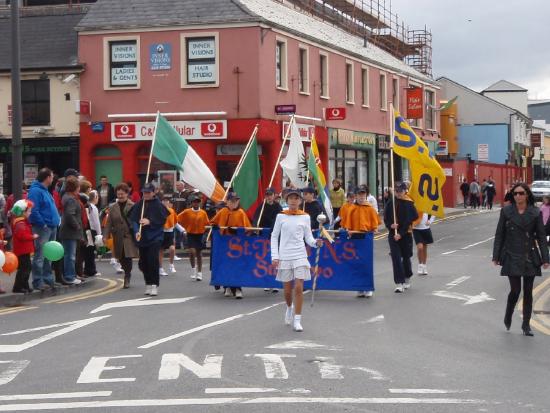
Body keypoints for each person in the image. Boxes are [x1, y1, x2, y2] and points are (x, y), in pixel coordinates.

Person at [492, 182, 549, 336]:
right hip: (511, 254)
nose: (518, 196)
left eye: (521, 193)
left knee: (528, 291)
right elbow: (500, 235)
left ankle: (526, 325)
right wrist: (496, 256)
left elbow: (542, 237)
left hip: (529, 255)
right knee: (515, 290)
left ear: (527, 195)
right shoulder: (506, 211)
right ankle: (508, 314)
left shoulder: (536, 213)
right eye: (515, 193)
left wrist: (545, 258)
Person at [271, 188, 322, 332]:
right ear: (286, 201)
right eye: (291, 198)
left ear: (300, 201)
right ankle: (289, 307)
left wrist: (315, 242)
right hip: (285, 256)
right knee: (287, 292)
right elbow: (274, 237)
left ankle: (297, 320)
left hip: (300, 255)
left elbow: (308, 237)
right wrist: (275, 256)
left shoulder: (305, 217)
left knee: (299, 287)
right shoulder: (281, 216)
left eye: (296, 198)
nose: (293, 200)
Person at [129, 182, 168, 296]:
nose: (146, 194)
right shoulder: (139, 204)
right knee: (143, 262)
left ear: (153, 192)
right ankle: (148, 283)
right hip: (143, 237)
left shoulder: (158, 204)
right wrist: (136, 231)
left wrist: (150, 221)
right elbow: (134, 219)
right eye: (144, 192)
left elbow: (162, 219)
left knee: (152, 260)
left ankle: (154, 284)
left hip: (155, 236)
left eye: (148, 192)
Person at [210, 192, 251, 298]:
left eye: (236, 201)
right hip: (225, 243)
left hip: (237, 244)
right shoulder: (223, 211)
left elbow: (247, 228)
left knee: (237, 266)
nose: (234, 203)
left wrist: (237, 231)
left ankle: (238, 289)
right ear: (227, 202)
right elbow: (213, 222)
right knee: (226, 265)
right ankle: (227, 286)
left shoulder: (241, 212)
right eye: (232, 201)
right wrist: (216, 227)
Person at [27, 168, 61, 290]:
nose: (52, 179)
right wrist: (43, 224)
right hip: (43, 227)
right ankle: (38, 281)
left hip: (51, 226)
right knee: (40, 255)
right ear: (47, 178)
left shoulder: (44, 190)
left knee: (49, 255)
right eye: (51, 177)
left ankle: (47, 279)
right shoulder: (36, 191)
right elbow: (34, 210)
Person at [345, 185, 380, 297]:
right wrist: (348, 230)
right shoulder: (352, 208)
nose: (361, 196)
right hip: (355, 237)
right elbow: (348, 222)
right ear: (355, 196)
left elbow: (374, 222)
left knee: (366, 263)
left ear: (366, 195)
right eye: (359, 194)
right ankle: (359, 287)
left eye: (363, 194)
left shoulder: (369, 208)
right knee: (356, 263)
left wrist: (374, 229)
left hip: (366, 237)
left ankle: (368, 287)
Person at [383, 182, 418, 293]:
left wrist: (401, 234)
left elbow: (409, 221)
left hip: (405, 234)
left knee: (406, 257)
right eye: (396, 191)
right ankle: (399, 283)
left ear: (405, 191)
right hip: (393, 235)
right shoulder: (391, 203)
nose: (398, 193)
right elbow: (386, 218)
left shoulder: (408, 203)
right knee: (396, 258)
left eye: (400, 191)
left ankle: (407, 276)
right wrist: (390, 226)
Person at [103, 183, 139, 289]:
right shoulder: (113, 207)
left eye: (122, 194)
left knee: (127, 256)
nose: (120, 196)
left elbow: (136, 220)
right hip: (117, 235)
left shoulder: (133, 206)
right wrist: (105, 235)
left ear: (127, 194)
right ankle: (126, 270)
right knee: (121, 257)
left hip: (129, 235)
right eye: (118, 194)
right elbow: (109, 223)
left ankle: (127, 276)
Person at [59, 176, 84, 285]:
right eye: (78, 186)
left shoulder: (66, 196)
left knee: (69, 255)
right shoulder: (71, 199)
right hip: (70, 232)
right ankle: (70, 276)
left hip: (67, 231)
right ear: (75, 187)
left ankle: (71, 275)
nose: (79, 188)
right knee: (70, 255)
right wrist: (77, 226)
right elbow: (70, 214)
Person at [178, 195, 209, 281]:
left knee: (199, 253)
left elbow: (207, 223)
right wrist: (183, 230)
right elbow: (177, 219)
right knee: (192, 251)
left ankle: (199, 273)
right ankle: (193, 269)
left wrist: (206, 230)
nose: (196, 203)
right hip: (190, 234)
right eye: (194, 202)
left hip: (200, 234)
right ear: (191, 203)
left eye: (197, 202)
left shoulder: (203, 213)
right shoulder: (187, 212)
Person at [11, 200, 39, 293]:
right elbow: (22, 236)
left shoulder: (22, 222)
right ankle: (19, 287)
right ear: (23, 212)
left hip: (23, 249)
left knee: (25, 268)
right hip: (22, 250)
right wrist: (32, 236)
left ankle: (24, 285)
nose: (30, 213)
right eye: (29, 211)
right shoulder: (20, 223)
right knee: (24, 268)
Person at [84, 189, 102, 277]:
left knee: (88, 251)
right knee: (90, 251)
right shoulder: (93, 207)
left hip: (87, 231)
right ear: (95, 198)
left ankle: (88, 269)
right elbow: (96, 222)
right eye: (97, 196)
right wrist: (99, 233)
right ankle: (91, 270)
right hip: (92, 231)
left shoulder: (87, 206)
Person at [159, 195, 178, 275]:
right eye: (164, 201)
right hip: (161, 232)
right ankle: (160, 268)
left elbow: (175, 222)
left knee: (172, 249)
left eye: (167, 201)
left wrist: (183, 230)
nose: (165, 202)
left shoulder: (171, 211)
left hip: (170, 232)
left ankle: (171, 264)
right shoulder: (158, 211)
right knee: (161, 251)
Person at [413, 211, 435, 276]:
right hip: (416, 229)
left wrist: (430, 221)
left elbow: (434, 211)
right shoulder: (415, 203)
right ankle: (420, 265)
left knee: (425, 248)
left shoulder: (427, 202)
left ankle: (424, 266)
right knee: (420, 247)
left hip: (426, 228)